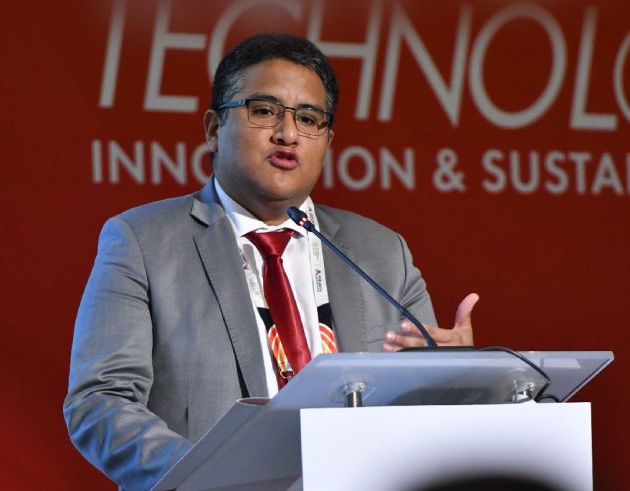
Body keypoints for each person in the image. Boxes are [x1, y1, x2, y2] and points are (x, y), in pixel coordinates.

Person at [64, 32, 478, 491]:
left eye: (309, 118)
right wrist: (207, 476)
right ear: (213, 129)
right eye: (264, 111)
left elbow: (425, 423)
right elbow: (100, 402)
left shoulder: (382, 253)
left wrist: (457, 380)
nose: (288, 133)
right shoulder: (143, 241)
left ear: (328, 140)